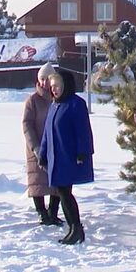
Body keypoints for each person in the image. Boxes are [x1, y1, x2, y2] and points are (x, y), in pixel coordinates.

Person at [39, 69, 95, 245]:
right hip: (56, 157)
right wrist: (42, 153)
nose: (54, 90)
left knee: (65, 193)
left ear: (66, 86)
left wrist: (82, 152)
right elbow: (47, 133)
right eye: (52, 87)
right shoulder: (55, 104)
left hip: (69, 157)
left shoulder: (75, 104)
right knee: (63, 192)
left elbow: (83, 130)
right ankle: (74, 228)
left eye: (57, 86)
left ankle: (76, 229)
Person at [23, 63, 62, 226]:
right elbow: (27, 124)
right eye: (42, 79)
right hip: (37, 147)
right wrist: (35, 146)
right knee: (37, 181)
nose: (45, 82)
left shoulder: (58, 99)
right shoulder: (32, 100)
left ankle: (53, 212)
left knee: (57, 181)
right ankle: (41, 212)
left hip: (56, 147)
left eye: (48, 79)